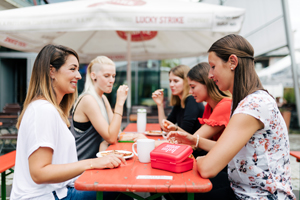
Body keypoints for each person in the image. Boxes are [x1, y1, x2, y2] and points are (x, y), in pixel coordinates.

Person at [168, 34, 296, 199]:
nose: (209, 75)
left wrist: (199, 159)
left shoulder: (253, 105)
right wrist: (194, 141)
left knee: (180, 191)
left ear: (233, 62)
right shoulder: (248, 101)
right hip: (244, 188)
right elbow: (231, 150)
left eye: (213, 66)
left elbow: (208, 167)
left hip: (259, 195)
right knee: (181, 190)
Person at [10, 44, 127, 200]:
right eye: (72, 69)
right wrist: (92, 163)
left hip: (60, 190)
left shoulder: (50, 109)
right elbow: (39, 173)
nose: (79, 76)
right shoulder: (42, 110)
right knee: (120, 188)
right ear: (52, 71)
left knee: (119, 185)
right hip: (48, 196)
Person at [164, 62, 234, 200]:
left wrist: (151, 146)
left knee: (176, 189)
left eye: (193, 87)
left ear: (207, 84)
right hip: (220, 165)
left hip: (232, 173)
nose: (190, 92)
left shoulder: (225, 105)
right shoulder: (209, 107)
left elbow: (192, 141)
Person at [71, 56, 128, 160]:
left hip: (98, 161)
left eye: (113, 76)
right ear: (93, 76)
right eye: (107, 76)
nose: (112, 80)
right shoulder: (88, 100)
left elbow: (117, 132)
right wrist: (120, 103)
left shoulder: (103, 98)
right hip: (81, 165)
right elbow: (111, 138)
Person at [152, 65, 204, 134]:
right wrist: (160, 104)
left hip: (194, 144)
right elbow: (165, 128)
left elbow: (184, 134)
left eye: (176, 81)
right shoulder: (180, 102)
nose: (171, 84)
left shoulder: (192, 100)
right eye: (170, 81)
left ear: (186, 82)